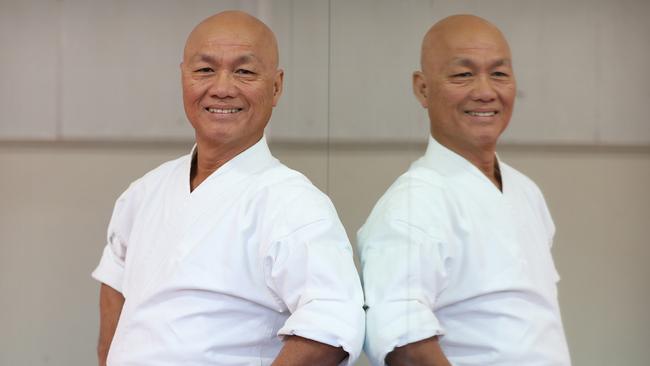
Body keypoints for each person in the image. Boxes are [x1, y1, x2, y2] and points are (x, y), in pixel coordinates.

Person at [92, 10, 364, 366]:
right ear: (182, 78)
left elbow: (331, 326)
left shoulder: (295, 203)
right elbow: (114, 290)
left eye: (244, 71)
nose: (221, 88)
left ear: (276, 86)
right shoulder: (145, 192)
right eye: (205, 69)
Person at [358, 14, 571, 366]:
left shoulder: (526, 191)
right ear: (422, 88)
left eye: (499, 74)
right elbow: (403, 343)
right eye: (463, 74)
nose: (485, 92)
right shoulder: (412, 205)